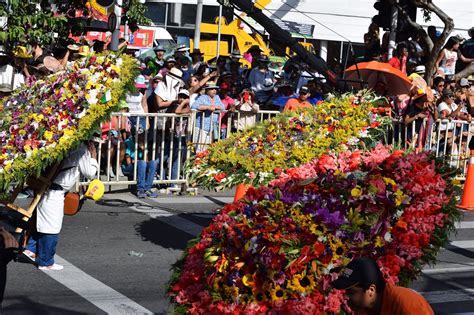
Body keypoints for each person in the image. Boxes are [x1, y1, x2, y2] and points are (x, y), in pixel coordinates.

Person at [23, 141, 99, 270]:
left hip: (46, 188)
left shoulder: (64, 143)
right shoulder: (81, 149)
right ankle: (46, 262)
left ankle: (31, 249)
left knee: (42, 221)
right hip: (55, 192)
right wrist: (93, 158)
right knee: (52, 226)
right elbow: (90, 173)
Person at [332, 257, 434, 315]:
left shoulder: (407, 304)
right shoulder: (364, 308)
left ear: (371, 290)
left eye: (351, 292)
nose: (346, 298)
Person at [191, 81, 225, 152]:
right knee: (200, 149)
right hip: (202, 127)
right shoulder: (202, 97)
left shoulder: (217, 97)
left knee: (208, 149)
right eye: (212, 89)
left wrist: (214, 107)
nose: (214, 91)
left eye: (215, 89)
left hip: (213, 127)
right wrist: (207, 107)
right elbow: (194, 106)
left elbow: (222, 107)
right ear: (207, 90)